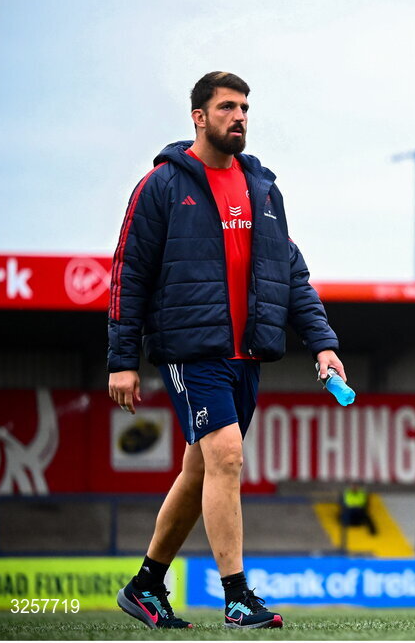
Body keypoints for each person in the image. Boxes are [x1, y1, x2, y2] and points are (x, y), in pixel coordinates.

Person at [107, 71, 346, 630]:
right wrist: (123, 360)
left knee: (201, 471)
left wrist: (323, 344)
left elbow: (291, 273)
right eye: (227, 108)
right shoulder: (162, 185)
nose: (239, 117)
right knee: (228, 457)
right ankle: (237, 596)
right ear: (199, 116)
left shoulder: (262, 189)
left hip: (246, 354)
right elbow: (129, 273)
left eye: (244, 108)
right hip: (192, 349)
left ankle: (145, 585)